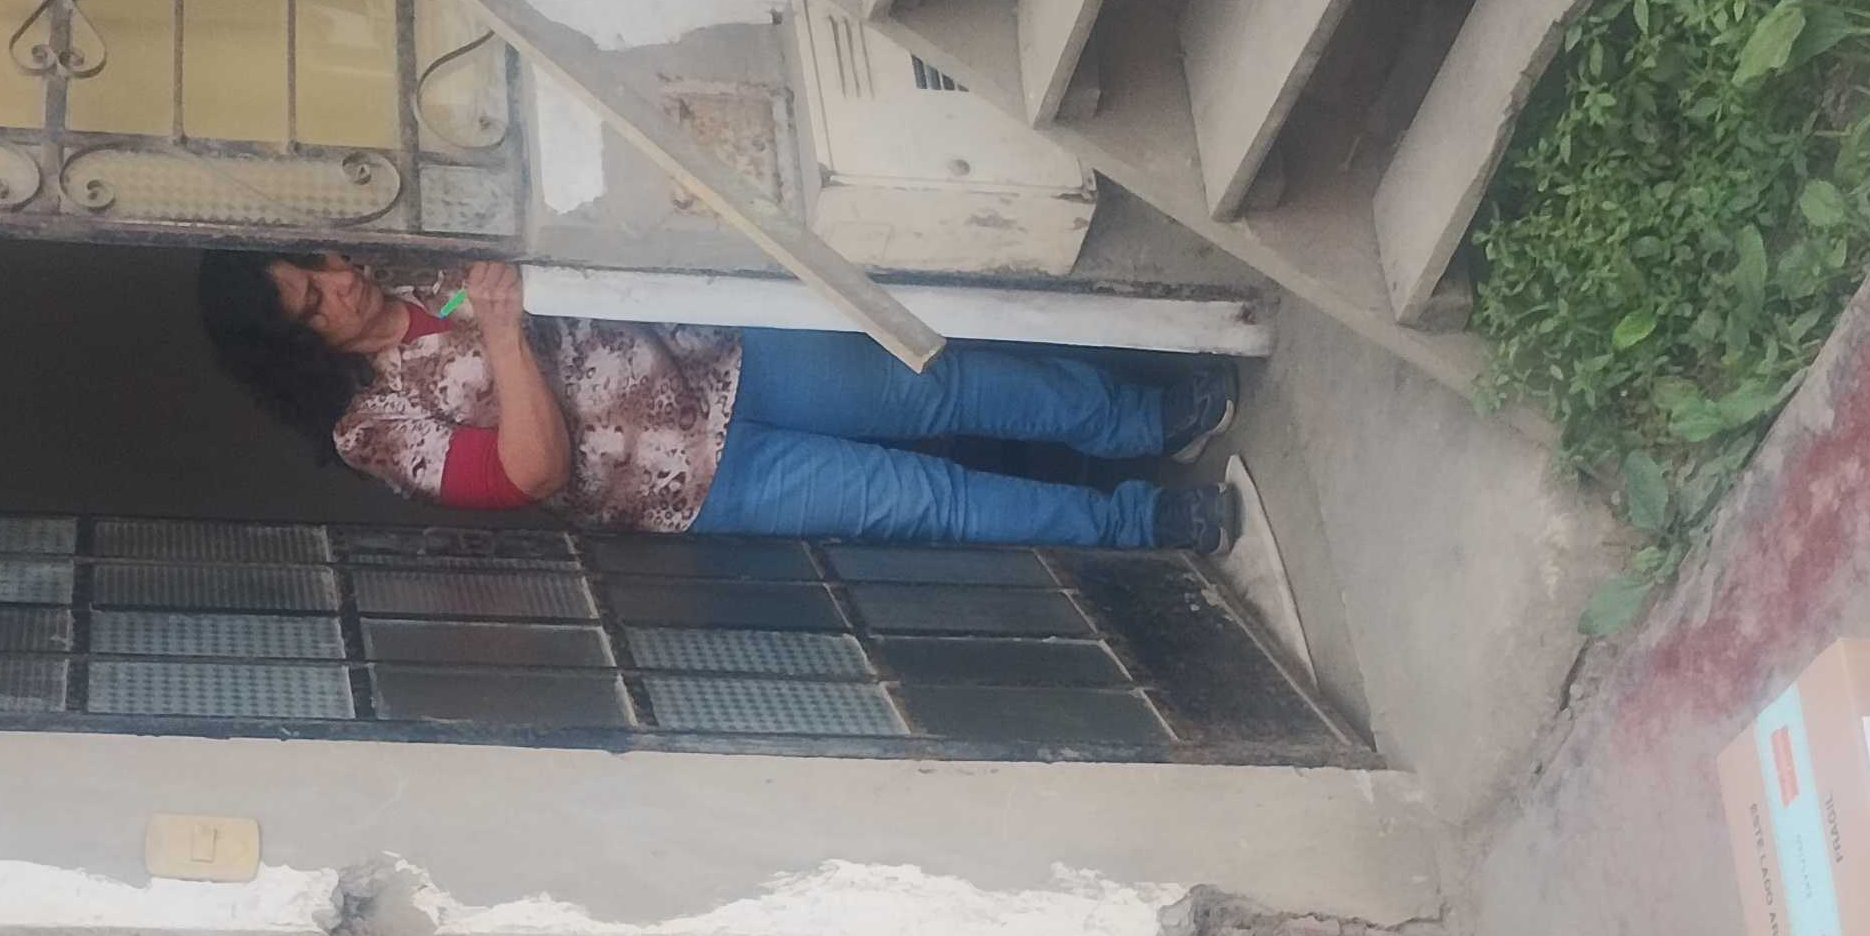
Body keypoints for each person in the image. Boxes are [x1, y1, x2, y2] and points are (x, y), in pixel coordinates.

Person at [193, 251, 1242, 549]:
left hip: (727, 353)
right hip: (703, 480)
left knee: (941, 385)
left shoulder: (415, 264)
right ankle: (1144, 522)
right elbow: (530, 474)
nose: (339, 281)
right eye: (312, 300)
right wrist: (504, 333)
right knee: (933, 500)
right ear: (297, 347)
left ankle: (1144, 421)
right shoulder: (371, 425)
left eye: (317, 265)